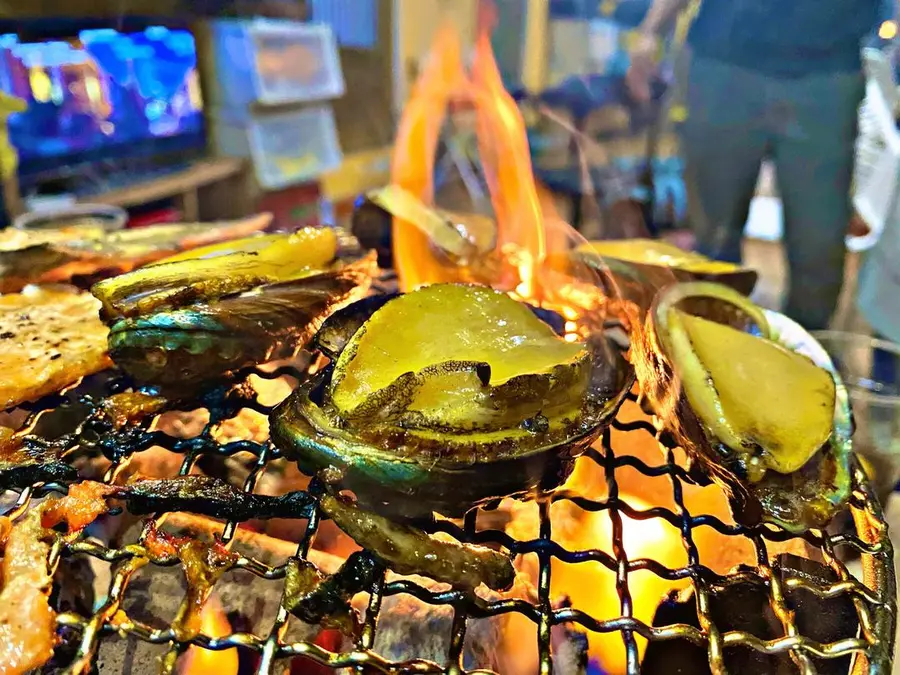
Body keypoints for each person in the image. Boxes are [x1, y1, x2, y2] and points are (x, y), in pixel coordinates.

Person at [627, 0, 882, 331]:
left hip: (828, 76)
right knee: (712, 243)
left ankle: (808, 359)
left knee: (819, 248)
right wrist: (650, 31)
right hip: (723, 65)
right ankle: (709, 352)